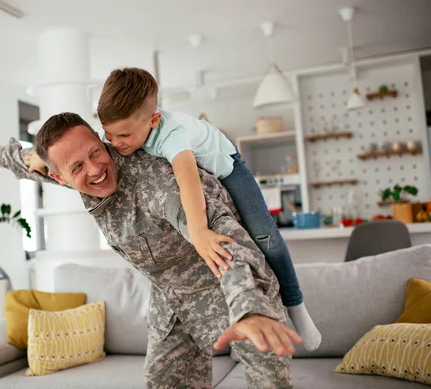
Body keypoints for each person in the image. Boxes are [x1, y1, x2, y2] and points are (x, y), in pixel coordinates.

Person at [0, 112, 301, 388]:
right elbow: (32, 162)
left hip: (231, 286)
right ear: (60, 178)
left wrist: (250, 308)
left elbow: (226, 237)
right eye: (76, 167)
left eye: (95, 152)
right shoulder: (66, 171)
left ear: (102, 140)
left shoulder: (156, 179)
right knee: (162, 381)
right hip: (171, 301)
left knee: (270, 382)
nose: (93, 168)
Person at [94, 68, 320, 351]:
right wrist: (41, 158)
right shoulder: (124, 131)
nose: (115, 143)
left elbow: (188, 182)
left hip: (228, 167)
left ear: (154, 120)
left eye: (123, 135)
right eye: (108, 134)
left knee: (265, 237)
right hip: (200, 173)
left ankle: (296, 305)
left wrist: (199, 231)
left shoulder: (172, 135)